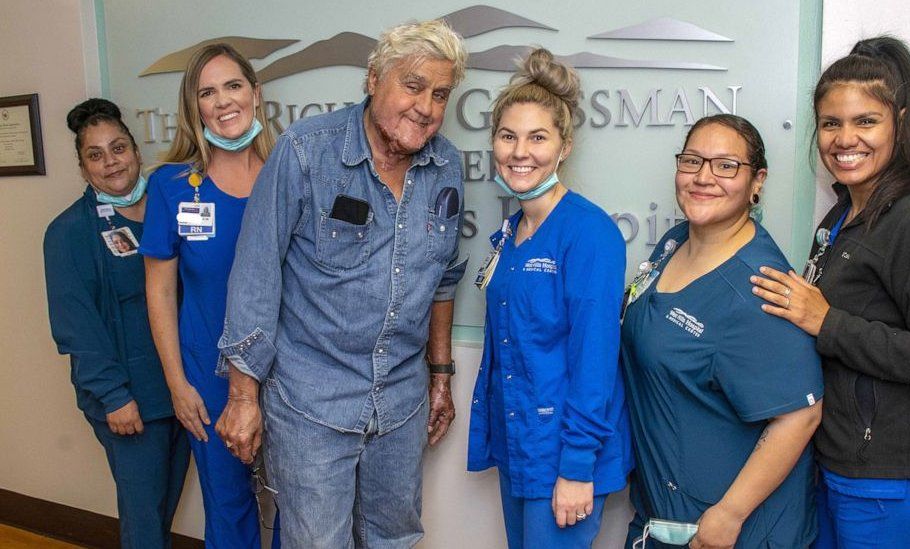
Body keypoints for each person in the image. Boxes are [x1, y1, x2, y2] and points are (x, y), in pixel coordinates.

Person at [214, 19, 468, 547]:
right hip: (312, 404)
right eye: (413, 85)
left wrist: (439, 374)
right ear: (374, 79)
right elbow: (255, 272)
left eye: (440, 94)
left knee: (393, 540)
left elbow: (444, 275)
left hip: (400, 403)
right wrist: (243, 396)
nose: (426, 106)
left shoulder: (446, 165)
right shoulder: (308, 151)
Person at [751, 36, 910, 548]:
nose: (844, 139)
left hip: (891, 480)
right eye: (832, 124)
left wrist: (827, 322)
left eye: (865, 122)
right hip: (839, 464)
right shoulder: (843, 213)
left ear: (900, 120)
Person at [620, 115, 824, 548]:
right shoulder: (673, 243)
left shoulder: (760, 286)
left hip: (729, 532)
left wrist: (728, 516)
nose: (703, 177)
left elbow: (800, 413)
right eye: (692, 161)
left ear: (757, 181)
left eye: (726, 165)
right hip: (664, 517)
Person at [465, 48, 631, 548]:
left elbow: (595, 358)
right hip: (522, 446)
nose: (521, 152)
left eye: (538, 137)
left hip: (566, 454)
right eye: (508, 136)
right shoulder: (512, 232)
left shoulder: (589, 233)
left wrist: (578, 466)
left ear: (564, 146)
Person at [140, 43, 275, 548]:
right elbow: (159, 292)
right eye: (208, 92)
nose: (224, 101)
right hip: (208, 375)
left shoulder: (288, 175)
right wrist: (178, 384)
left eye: (234, 85)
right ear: (194, 107)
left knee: (298, 503)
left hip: (287, 374)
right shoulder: (173, 186)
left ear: (256, 94)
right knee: (229, 505)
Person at [44, 98, 189, 548]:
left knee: (162, 510)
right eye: (95, 154)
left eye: (118, 147)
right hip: (129, 400)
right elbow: (76, 328)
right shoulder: (69, 232)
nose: (111, 163)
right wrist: (114, 397)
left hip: (180, 391)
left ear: (135, 150)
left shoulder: (170, 207)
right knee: (144, 519)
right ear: (83, 165)